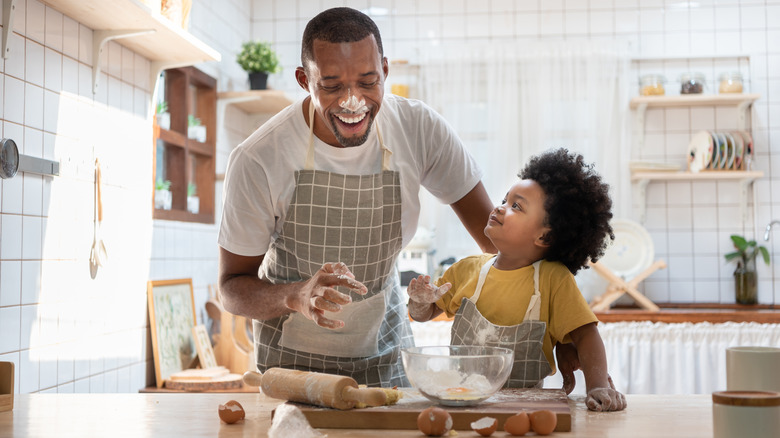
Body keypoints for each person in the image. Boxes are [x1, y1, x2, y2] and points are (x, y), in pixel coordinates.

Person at [217, 7, 496, 387]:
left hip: (386, 359)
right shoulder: (259, 157)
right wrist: (296, 295)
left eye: (368, 82)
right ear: (304, 80)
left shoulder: (419, 129)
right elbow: (232, 289)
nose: (353, 101)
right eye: (331, 86)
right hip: (292, 369)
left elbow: (498, 246)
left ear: (385, 69)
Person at [407, 148, 627, 412]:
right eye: (504, 199)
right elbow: (425, 313)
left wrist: (597, 386)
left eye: (516, 206)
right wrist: (419, 303)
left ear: (544, 237)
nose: (500, 207)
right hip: (463, 403)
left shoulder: (553, 280)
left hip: (525, 409)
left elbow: (586, 335)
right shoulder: (467, 270)